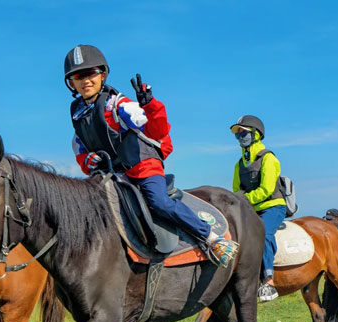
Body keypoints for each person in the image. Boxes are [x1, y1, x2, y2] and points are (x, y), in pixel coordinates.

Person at [63, 44, 239, 268]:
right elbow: (80, 153)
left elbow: (156, 131)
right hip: (114, 175)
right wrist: (89, 161)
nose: (85, 80)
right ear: (72, 83)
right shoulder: (78, 116)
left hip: (142, 166)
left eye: (91, 73)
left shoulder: (119, 105)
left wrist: (149, 106)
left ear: (102, 75)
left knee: (159, 202)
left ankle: (211, 237)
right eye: (78, 76)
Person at [231, 115, 285, 302]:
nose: (240, 137)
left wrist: (244, 199)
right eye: (237, 134)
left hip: (272, 206)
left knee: (263, 234)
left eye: (243, 132)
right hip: (250, 209)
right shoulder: (239, 164)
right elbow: (236, 190)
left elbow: (266, 189)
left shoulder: (268, 158)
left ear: (256, 134)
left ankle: (269, 282)